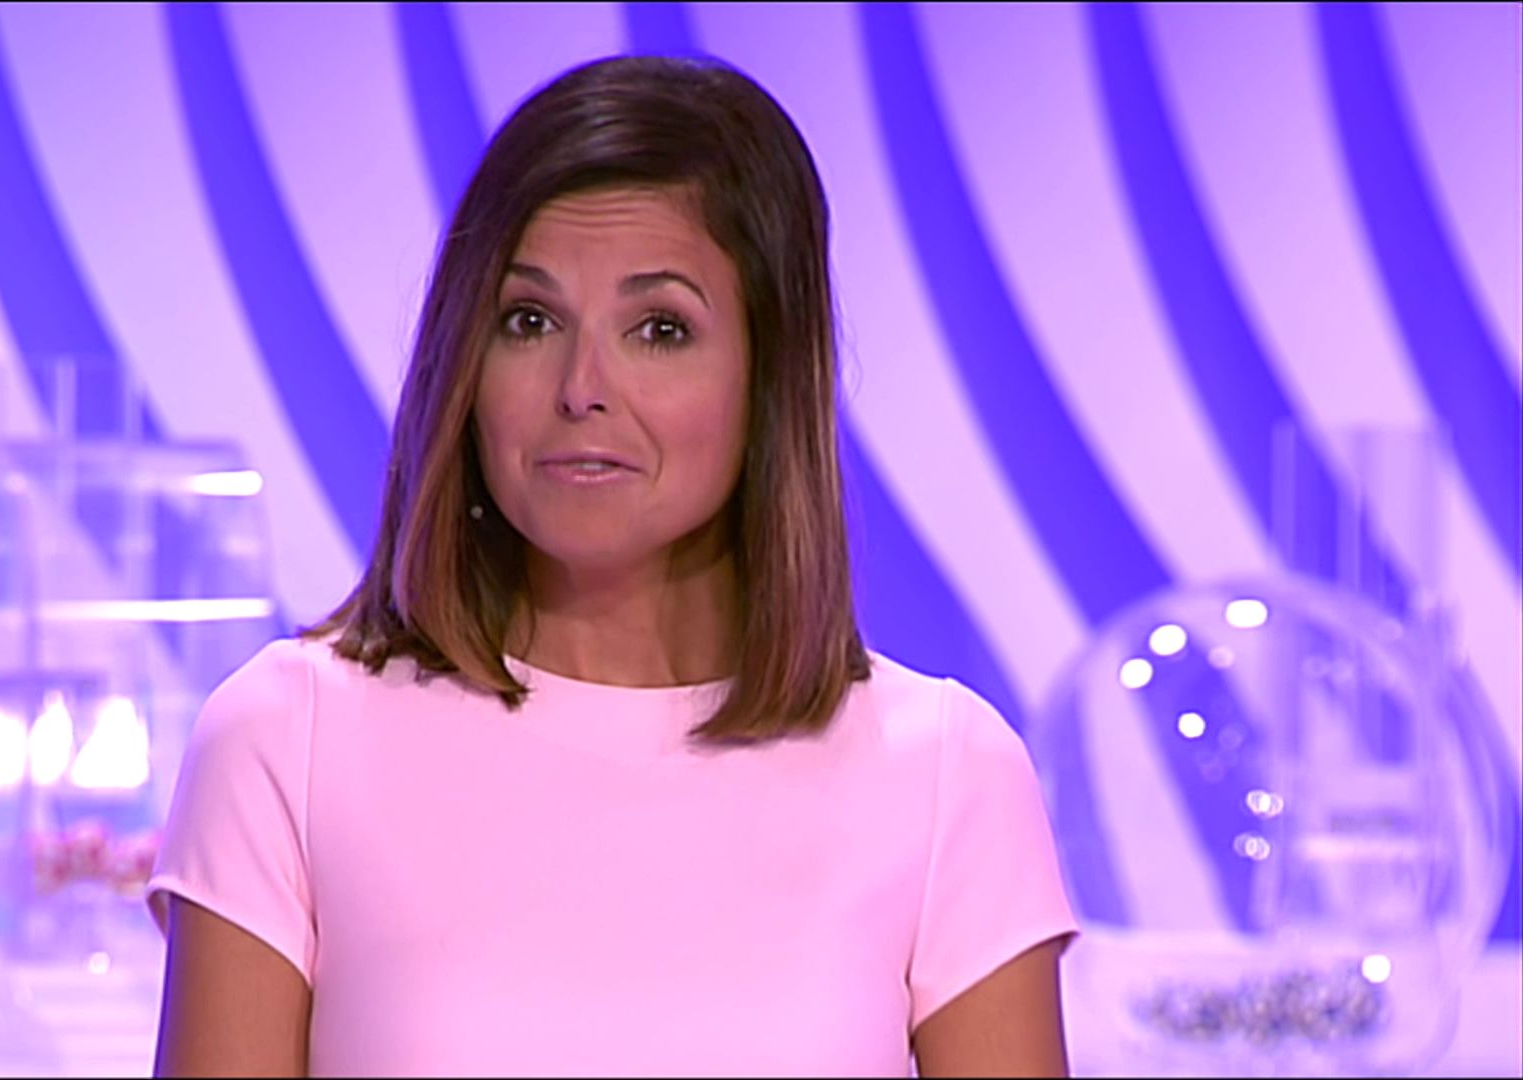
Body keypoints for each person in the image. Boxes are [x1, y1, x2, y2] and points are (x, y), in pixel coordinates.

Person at [147, 53, 1078, 1078]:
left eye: (660, 329)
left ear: (768, 378)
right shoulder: (287, 740)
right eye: (530, 321)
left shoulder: (945, 775)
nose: (581, 387)